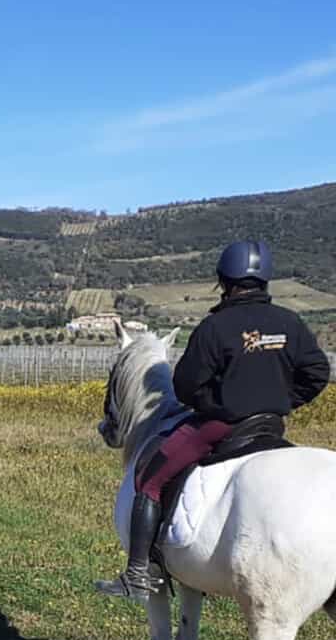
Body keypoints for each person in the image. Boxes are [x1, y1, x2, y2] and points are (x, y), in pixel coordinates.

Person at [96, 240, 330, 602]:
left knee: (150, 476)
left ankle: (137, 573)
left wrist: (216, 403)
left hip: (219, 427)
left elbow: (185, 387)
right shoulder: (290, 322)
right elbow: (317, 372)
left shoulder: (215, 326)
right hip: (271, 425)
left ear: (224, 280)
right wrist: (283, 401)